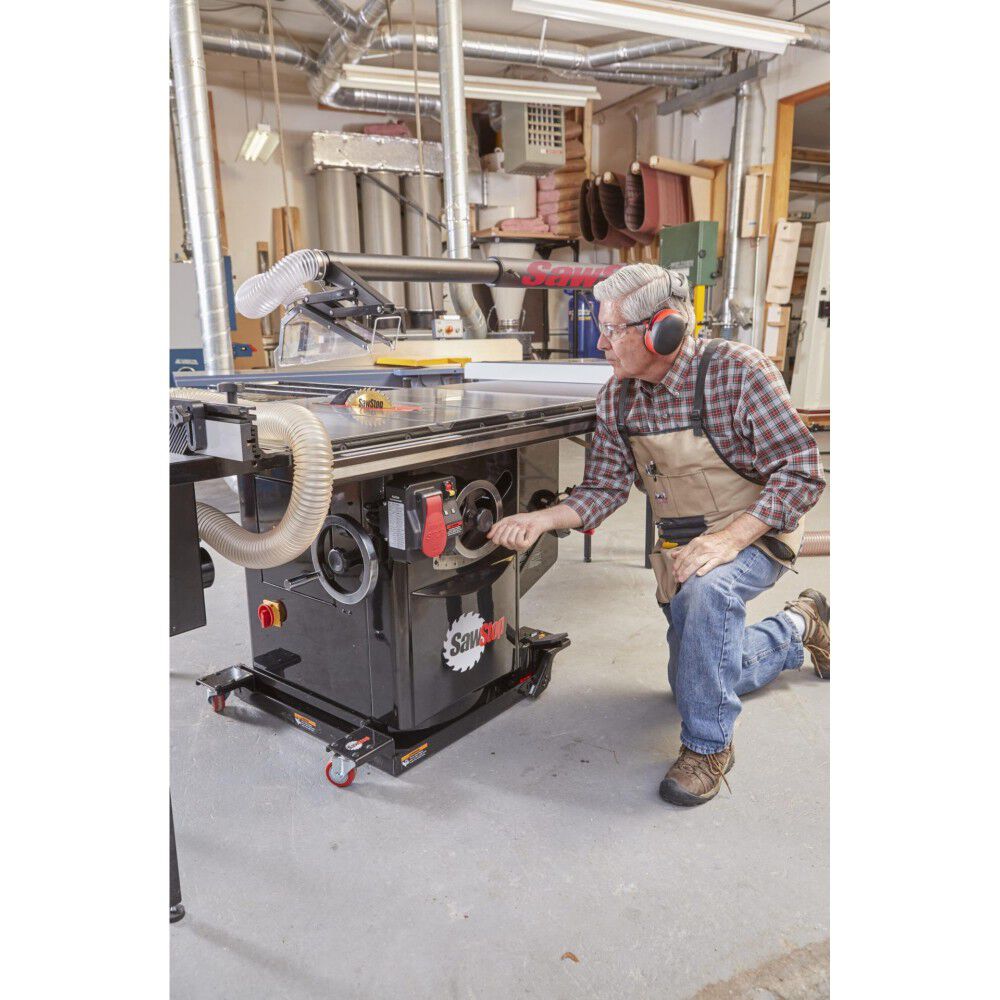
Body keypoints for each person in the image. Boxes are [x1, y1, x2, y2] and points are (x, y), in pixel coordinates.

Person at [487, 263, 828, 807]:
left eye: (610, 330)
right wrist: (544, 520)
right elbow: (604, 487)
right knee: (697, 676)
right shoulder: (618, 397)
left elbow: (801, 472)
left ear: (661, 331)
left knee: (707, 593)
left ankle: (708, 748)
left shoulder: (739, 372)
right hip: (683, 544)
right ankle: (799, 624)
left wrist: (730, 540)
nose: (599, 343)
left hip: (757, 529)